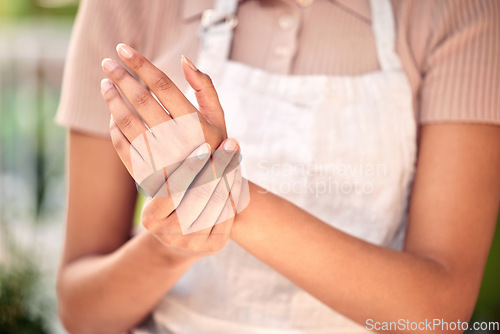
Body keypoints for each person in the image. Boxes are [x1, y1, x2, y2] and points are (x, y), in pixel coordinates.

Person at [55, 0, 500, 333]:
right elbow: (81, 311)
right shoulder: (127, 7)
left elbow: (438, 313)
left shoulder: (458, 12)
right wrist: (169, 246)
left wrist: (219, 193)